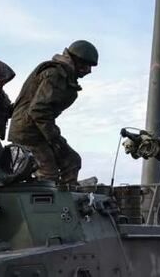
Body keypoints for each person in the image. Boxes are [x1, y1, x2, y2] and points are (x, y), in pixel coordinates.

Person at [8, 40, 98, 185]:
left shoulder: (64, 77)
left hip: (39, 131)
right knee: (48, 174)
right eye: (87, 66)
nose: (89, 71)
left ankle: (66, 194)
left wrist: (55, 138)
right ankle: (47, 198)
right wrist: (54, 138)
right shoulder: (55, 74)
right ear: (77, 61)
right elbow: (38, 111)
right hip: (28, 133)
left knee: (72, 161)